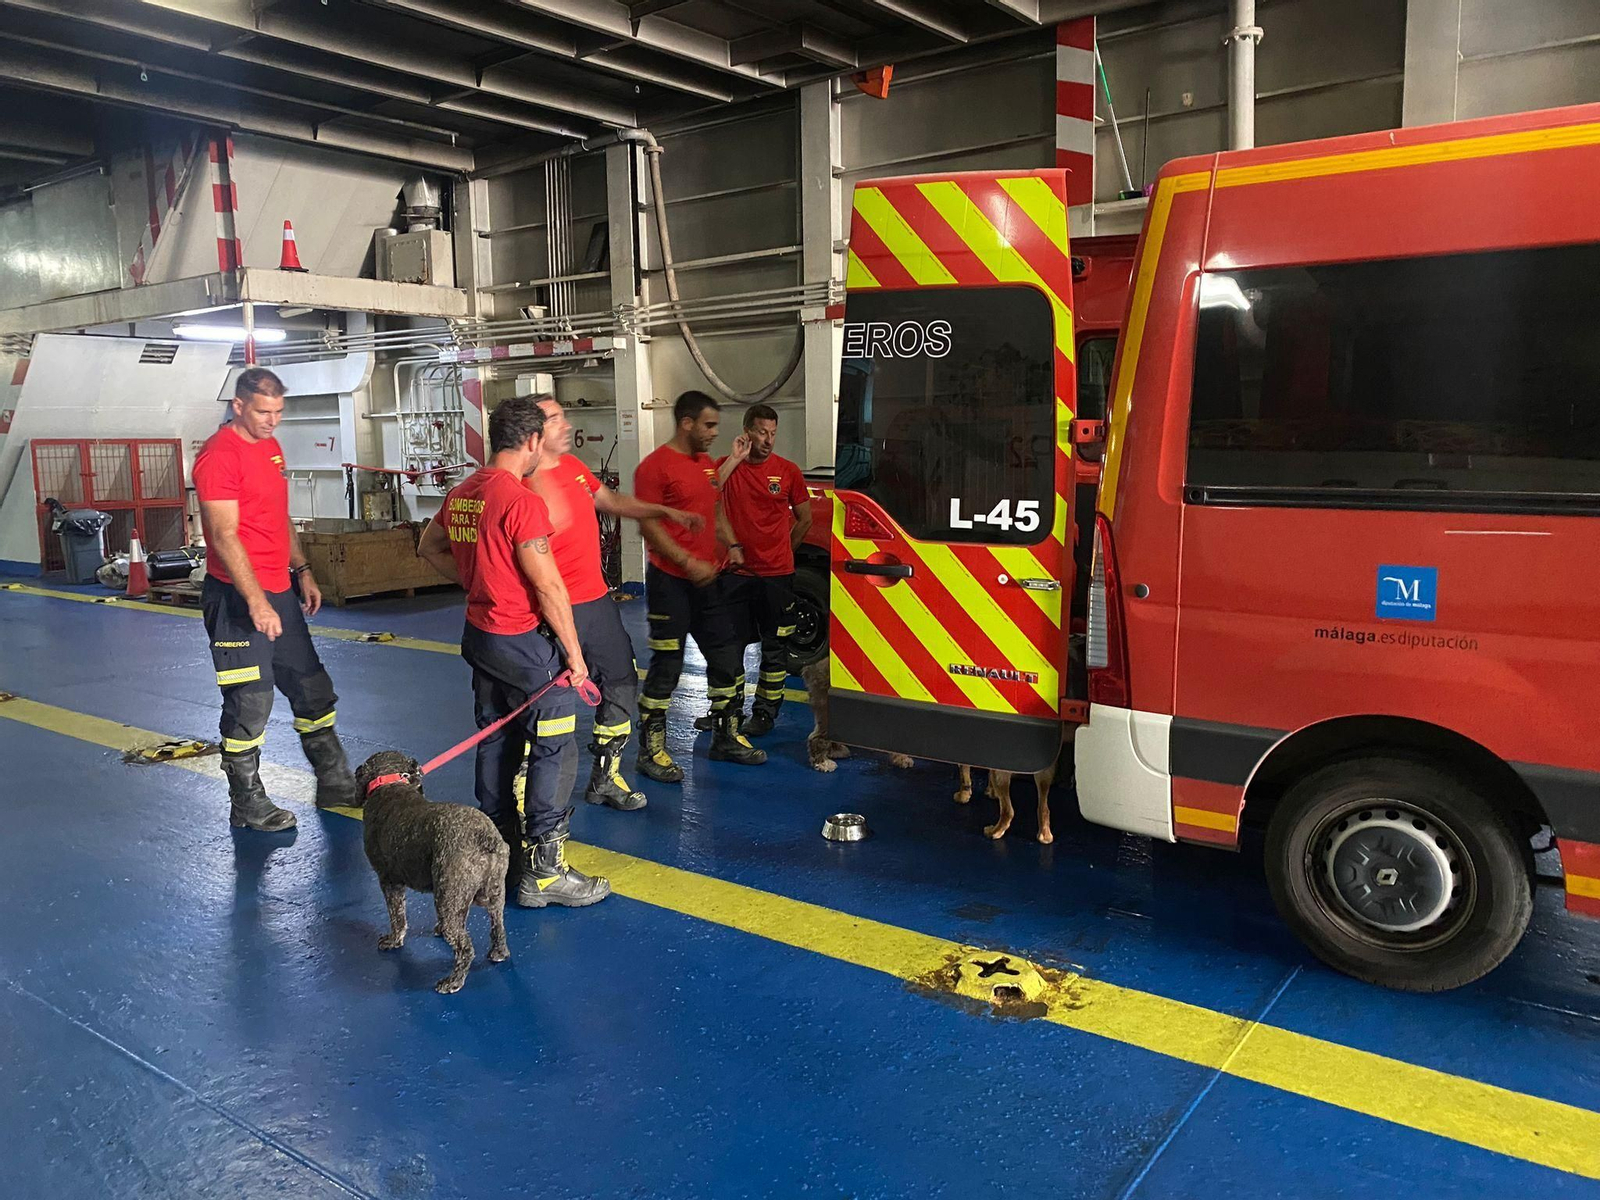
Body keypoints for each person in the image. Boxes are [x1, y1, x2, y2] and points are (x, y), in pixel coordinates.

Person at [416, 396, 608, 909]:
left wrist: (479, 582)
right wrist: (575, 655)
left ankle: (500, 859)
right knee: (554, 745)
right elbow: (547, 587)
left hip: (479, 637)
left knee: (496, 740)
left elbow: (428, 548)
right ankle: (545, 873)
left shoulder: (464, 493)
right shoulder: (520, 500)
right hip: (521, 642)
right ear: (531, 442)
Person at [193, 367, 360, 832]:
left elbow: (277, 514)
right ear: (238, 406)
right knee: (251, 701)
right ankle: (247, 803)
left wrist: (301, 569)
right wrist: (257, 602)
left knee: (312, 689)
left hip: (279, 590)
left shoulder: (269, 447)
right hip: (236, 598)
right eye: (264, 412)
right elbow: (225, 537)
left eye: (279, 412)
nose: (272, 421)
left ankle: (334, 782)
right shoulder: (218, 456)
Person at [526, 396, 703, 811]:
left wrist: (664, 511)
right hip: (550, 609)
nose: (566, 425)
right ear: (533, 433)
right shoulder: (520, 485)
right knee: (543, 701)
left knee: (622, 681)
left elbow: (611, 501)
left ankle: (605, 778)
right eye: (555, 419)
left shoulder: (573, 469)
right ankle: (530, 796)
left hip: (596, 603)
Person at [632, 390, 767, 782]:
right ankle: (651, 749)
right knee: (668, 664)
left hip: (709, 580)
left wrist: (732, 544)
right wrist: (687, 561)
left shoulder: (706, 464)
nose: (714, 433)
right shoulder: (655, 467)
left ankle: (725, 737)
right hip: (670, 584)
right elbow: (649, 526)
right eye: (708, 425)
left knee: (727, 657)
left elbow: (714, 504)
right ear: (686, 423)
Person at [715, 403, 813, 737]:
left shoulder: (788, 471)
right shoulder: (728, 468)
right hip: (736, 576)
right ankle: (728, 713)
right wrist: (734, 459)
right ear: (746, 432)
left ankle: (765, 713)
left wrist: (784, 551)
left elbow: (805, 519)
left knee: (775, 649)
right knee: (731, 648)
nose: (768, 439)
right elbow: (706, 492)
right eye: (761, 432)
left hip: (777, 577)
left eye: (773, 433)